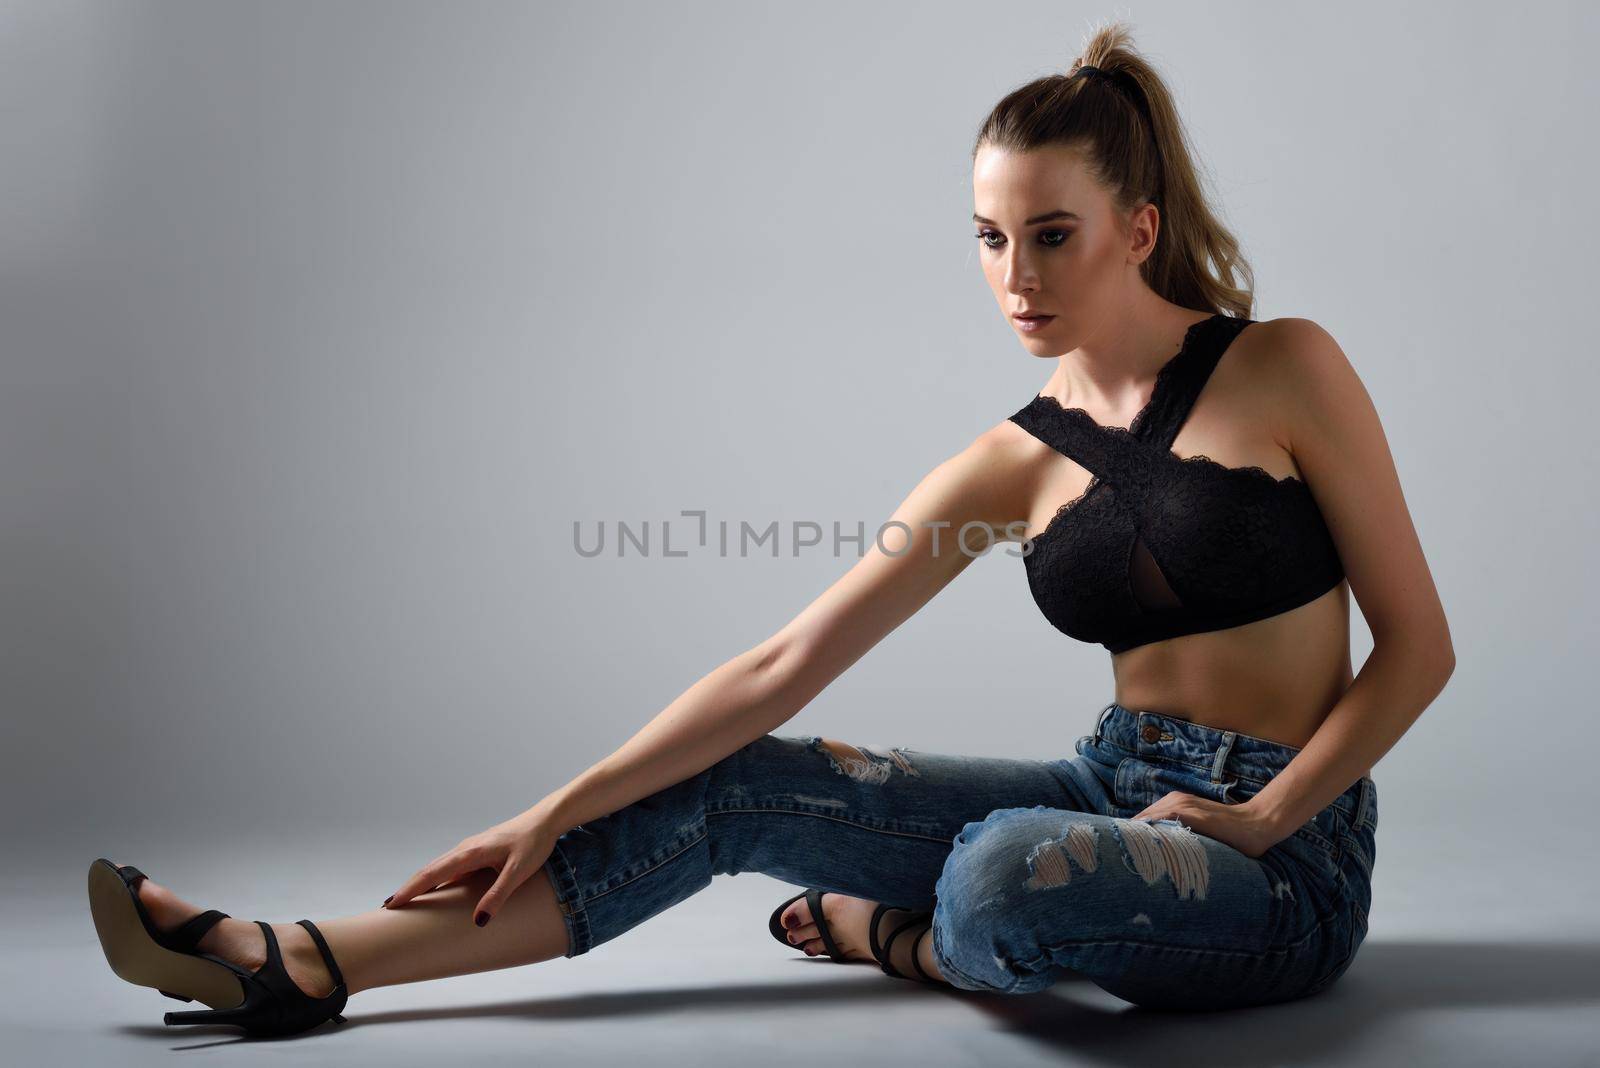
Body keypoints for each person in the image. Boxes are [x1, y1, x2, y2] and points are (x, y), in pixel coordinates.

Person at [88, 21, 1453, 1035]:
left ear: (1137, 228)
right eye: (987, 240)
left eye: (1051, 236)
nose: (1015, 277)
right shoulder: (1005, 464)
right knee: (748, 778)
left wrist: (1272, 817)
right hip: (1105, 791)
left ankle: (904, 941)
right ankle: (313, 962)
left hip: (1288, 863)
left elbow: (1419, 647)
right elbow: (780, 665)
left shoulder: (1285, 368)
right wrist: (554, 805)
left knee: (996, 881)